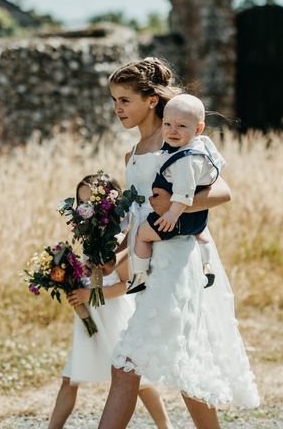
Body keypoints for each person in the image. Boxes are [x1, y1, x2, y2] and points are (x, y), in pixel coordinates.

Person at [98, 57, 259, 429]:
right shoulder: (132, 154)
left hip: (177, 262)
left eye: (124, 100)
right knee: (185, 362)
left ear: (151, 100)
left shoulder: (183, 140)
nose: (117, 109)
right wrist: (114, 256)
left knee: (126, 365)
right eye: (114, 100)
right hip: (149, 266)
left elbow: (223, 192)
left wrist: (176, 205)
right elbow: (139, 218)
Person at [47, 174, 173, 429]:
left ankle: (166, 426)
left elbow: (125, 285)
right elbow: (93, 276)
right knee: (70, 377)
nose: (84, 209)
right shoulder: (89, 239)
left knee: (139, 380)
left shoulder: (120, 238)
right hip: (91, 318)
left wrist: (89, 295)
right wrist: (72, 277)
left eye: (89, 202)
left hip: (114, 315)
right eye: (81, 203)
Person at [127, 94, 223, 294]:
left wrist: (171, 213)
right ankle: (206, 264)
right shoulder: (200, 147)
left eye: (181, 126)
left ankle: (140, 274)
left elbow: (184, 191)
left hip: (173, 217)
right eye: (168, 124)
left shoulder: (185, 159)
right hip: (197, 219)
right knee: (201, 234)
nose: (172, 131)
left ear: (198, 129)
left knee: (142, 235)